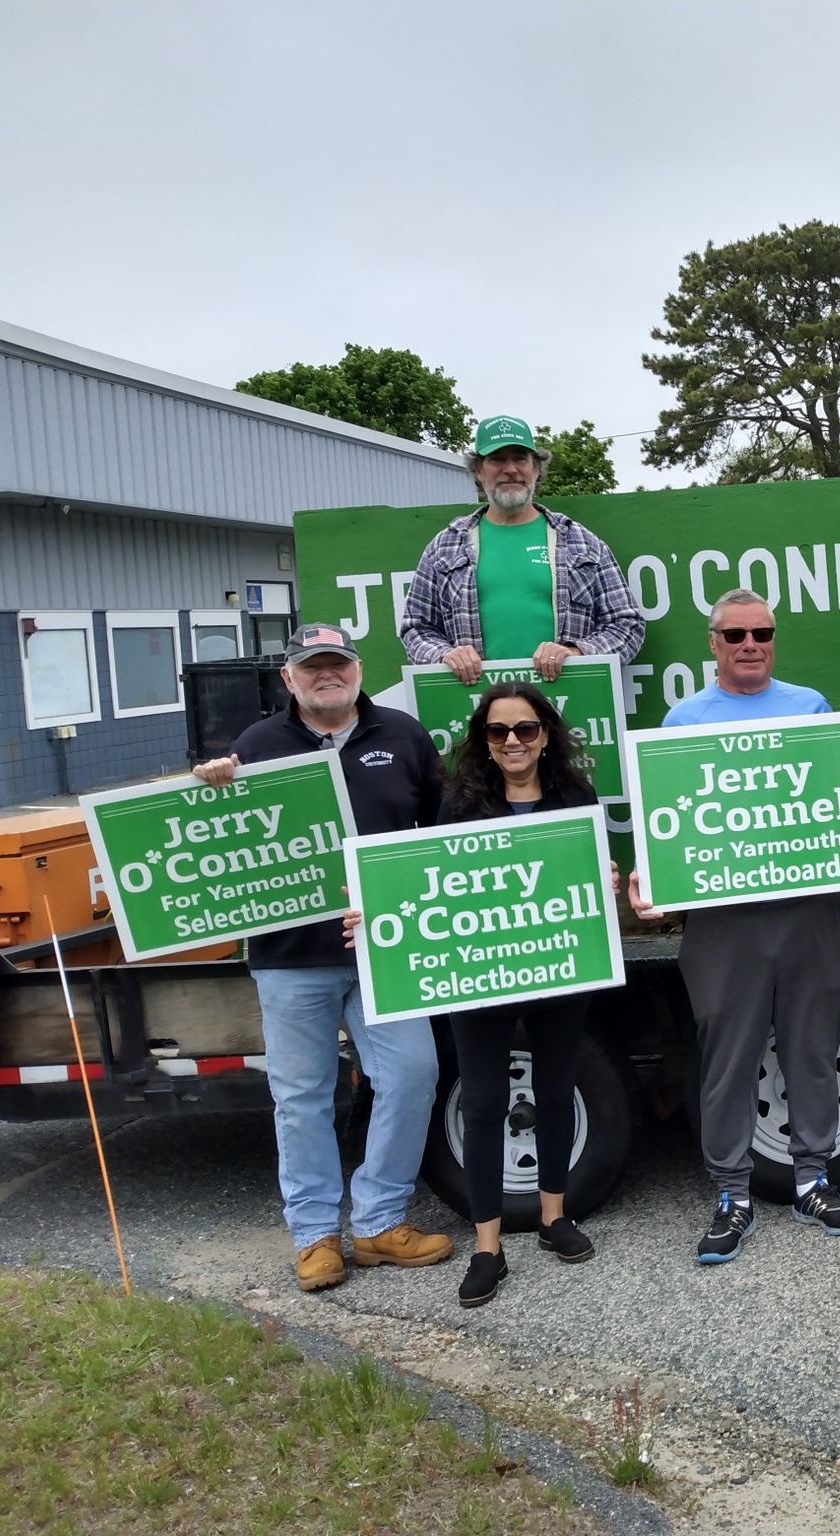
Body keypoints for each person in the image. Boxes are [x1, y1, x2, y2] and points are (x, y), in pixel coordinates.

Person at [630, 589, 840, 1264]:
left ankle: (813, 1181)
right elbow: (673, 818)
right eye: (736, 634)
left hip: (809, 909)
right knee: (729, 1056)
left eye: (762, 632)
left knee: (811, 1046)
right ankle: (730, 1196)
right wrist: (651, 882)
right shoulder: (684, 719)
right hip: (724, 919)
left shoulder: (812, 708)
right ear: (712, 644)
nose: (750, 644)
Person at [192, 623, 451, 1292]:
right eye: (313, 667)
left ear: (358, 670)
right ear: (289, 678)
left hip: (386, 950)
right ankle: (314, 1237)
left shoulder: (403, 736)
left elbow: (440, 832)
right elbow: (213, 836)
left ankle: (378, 1222)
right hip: (288, 955)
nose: (326, 675)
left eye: (337, 663)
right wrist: (210, 785)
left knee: (414, 1073)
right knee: (301, 1098)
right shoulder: (255, 746)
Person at [434, 681, 612, 1306]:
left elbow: (589, 876)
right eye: (498, 731)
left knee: (555, 1093)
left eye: (526, 730)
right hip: (480, 974)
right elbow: (433, 883)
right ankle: (488, 1248)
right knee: (481, 1104)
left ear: (545, 736)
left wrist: (605, 879)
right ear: (483, 741)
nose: (513, 741)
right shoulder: (458, 804)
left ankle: (553, 1218)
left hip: (559, 969)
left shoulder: (574, 796)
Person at [400, 414, 645, 683]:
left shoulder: (582, 542)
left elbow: (627, 626)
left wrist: (576, 652)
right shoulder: (445, 546)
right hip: (477, 707)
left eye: (520, 458)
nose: (510, 469)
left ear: (536, 469)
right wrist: (443, 654)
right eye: (497, 459)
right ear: (478, 471)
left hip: (565, 702)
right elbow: (415, 628)